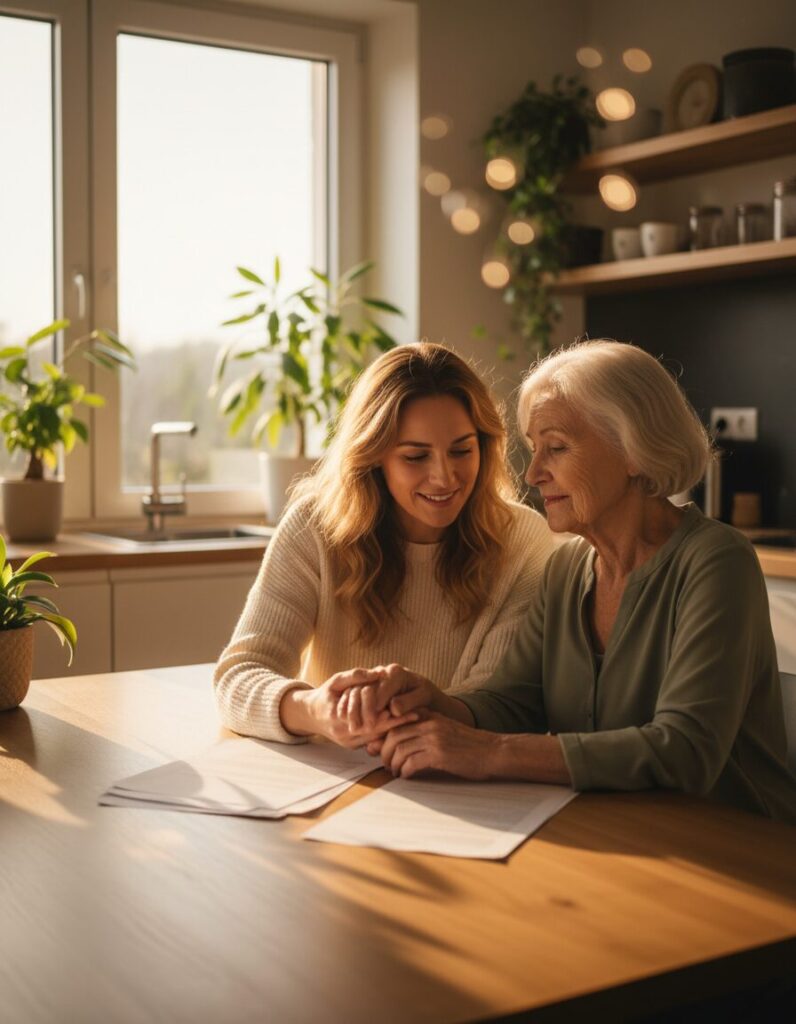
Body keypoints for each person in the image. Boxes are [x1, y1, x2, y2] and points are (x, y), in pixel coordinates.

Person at [345, 340, 796, 823]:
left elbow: (685, 750)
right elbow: (512, 701)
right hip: (618, 831)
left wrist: (488, 752)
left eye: (556, 447)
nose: (534, 472)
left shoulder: (716, 561)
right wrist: (434, 701)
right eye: (534, 449)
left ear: (633, 450)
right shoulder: (566, 567)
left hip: (736, 848)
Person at [214, 342, 554, 748]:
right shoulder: (314, 526)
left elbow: (497, 704)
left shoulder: (523, 539)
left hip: (457, 781)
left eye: (462, 450)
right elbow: (239, 675)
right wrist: (316, 710)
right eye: (415, 457)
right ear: (374, 457)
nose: (444, 478)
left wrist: (416, 708)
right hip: (336, 783)